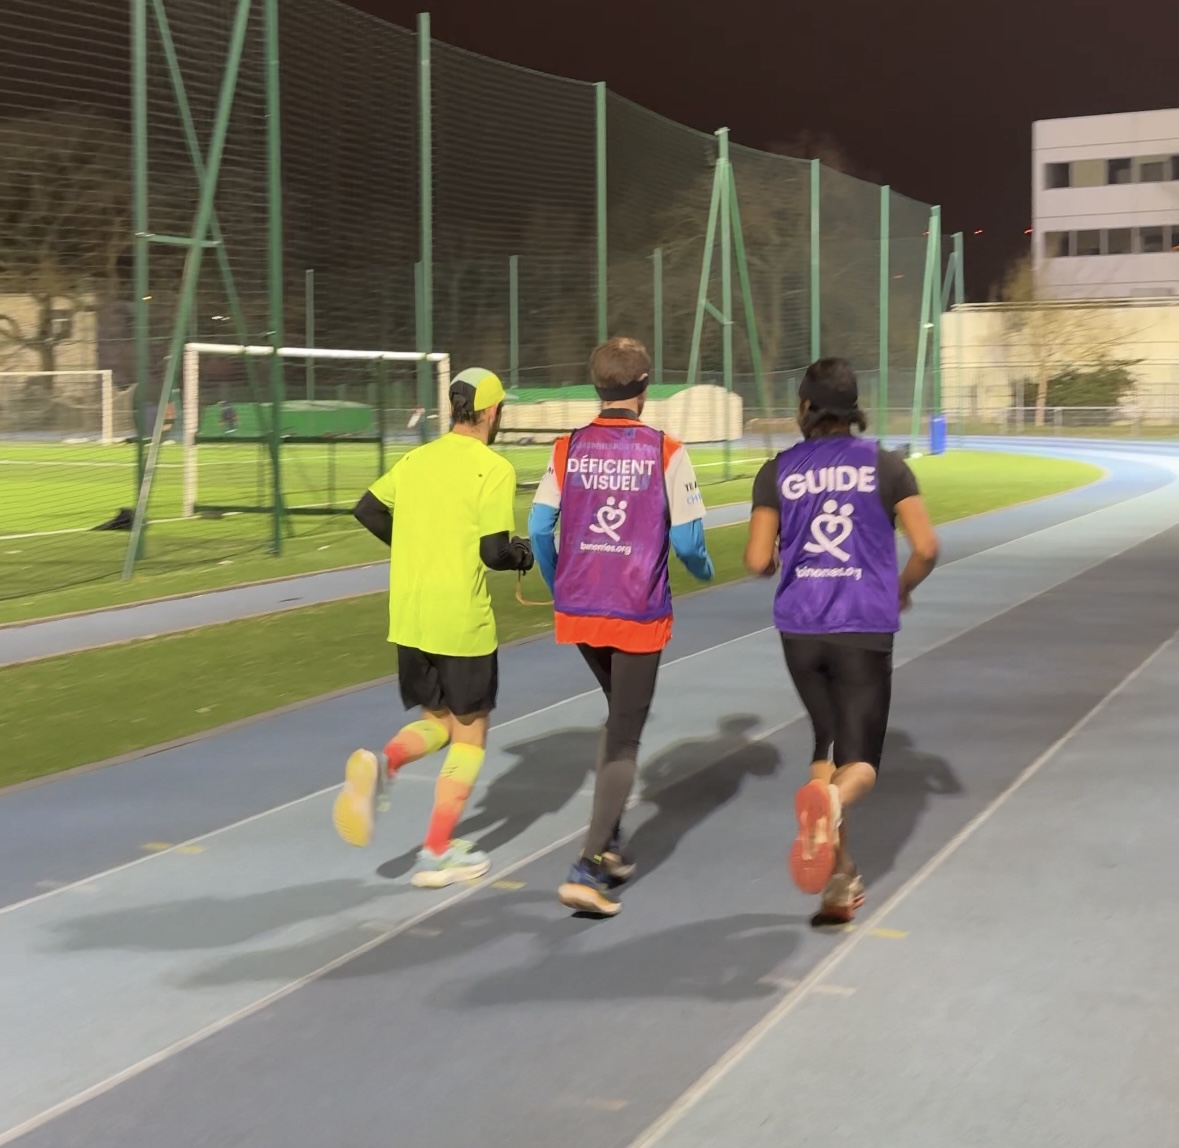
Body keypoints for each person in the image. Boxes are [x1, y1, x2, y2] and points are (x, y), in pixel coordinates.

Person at [744, 357, 939, 924]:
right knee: (860, 764)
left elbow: (758, 559)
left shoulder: (777, 470)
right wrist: (900, 588)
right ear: (854, 408)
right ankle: (831, 803)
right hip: (863, 625)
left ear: (804, 408)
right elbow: (926, 548)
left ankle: (839, 880)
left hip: (800, 628)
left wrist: (781, 557)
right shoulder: (888, 466)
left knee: (823, 744)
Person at [529, 336, 715, 916]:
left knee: (618, 717)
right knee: (627, 733)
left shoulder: (567, 448)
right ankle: (586, 865)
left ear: (598, 386)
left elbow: (539, 528)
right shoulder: (666, 450)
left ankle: (607, 844)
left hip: (580, 608)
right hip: (636, 610)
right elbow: (687, 541)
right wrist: (704, 570)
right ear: (645, 386)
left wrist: (561, 585)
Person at [334, 367, 534, 888]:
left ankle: (386, 761)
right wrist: (521, 556)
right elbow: (494, 551)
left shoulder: (416, 458)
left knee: (439, 723)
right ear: (492, 413)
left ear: (454, 409)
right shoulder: (492, 467)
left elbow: (369, 510)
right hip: (460, 619)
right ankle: (436, 851)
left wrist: (417, 546)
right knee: (469, 736)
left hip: (409, 614)